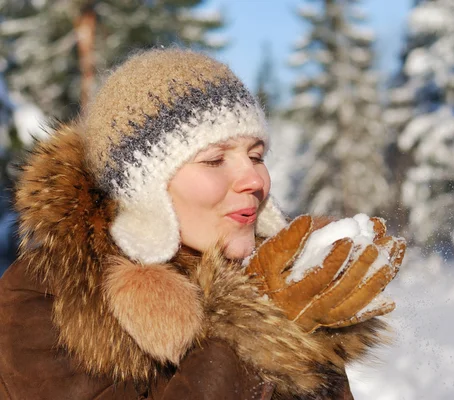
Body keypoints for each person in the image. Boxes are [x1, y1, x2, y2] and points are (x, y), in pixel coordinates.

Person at [0, 48, 405, 399]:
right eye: (214, 159)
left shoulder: (284, 289)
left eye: (257, 155)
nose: (255, 180)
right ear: (143, 188)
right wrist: (249, 336)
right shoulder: (50, 300)